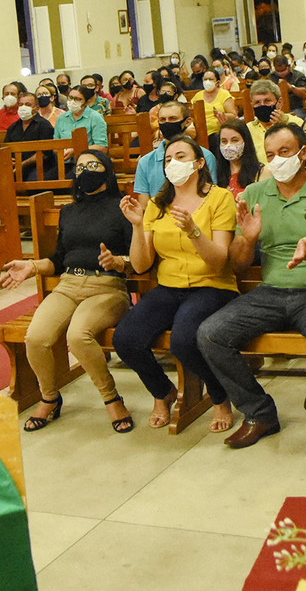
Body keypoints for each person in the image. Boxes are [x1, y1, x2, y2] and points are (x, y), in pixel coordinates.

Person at [197, 123, 306, 453]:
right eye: (270, 155)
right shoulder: (254, 194)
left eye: (285, 152)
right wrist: (248, 239)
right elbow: (239, 265)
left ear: (304, 152)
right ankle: (259, 413)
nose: (277, 160)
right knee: (210, 334)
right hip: (271, 291)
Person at [0, 150, 135, 431]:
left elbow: (138, 259)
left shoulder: (120, 207)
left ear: (107, 171)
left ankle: (111, 397)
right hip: (69, 284)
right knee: (35, 338)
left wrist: (118, 261)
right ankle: (49, 397)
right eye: (80, 167)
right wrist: (32, 266)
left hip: (107, 286)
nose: (85, 171)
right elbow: (60, 259)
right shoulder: (69, 211)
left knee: (78, 336)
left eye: (93, 165)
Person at [113, 137, 240, 432]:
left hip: (212, 285)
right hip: (170, 287)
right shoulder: (157, 204)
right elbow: (141, 265)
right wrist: (136, 226)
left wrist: (194, 231)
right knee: (126, 339)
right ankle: (163, 392)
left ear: (198, 163)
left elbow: (218, 261)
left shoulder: (219, 198)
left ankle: (219, 396)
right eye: (168, 159)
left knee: (183, 341)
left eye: (180, 157)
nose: (172, 163)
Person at [133, 102, 216, 205]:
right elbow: (144, 205)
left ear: (187, 122)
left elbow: (211, 196)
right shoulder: (145, 162)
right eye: (163, 120)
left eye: (173, 119)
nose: (167, 123)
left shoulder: (205, 156)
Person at [246, 79, 303, 164]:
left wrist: (283, 127)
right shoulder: (248, 130)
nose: (262, 105)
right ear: (252, 105)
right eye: (258, 102)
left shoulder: (297, 124)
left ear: (279, 102)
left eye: (267, 101)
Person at [212, 118, 269, 200]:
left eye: (234, 140)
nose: (229, 146)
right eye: (224, 141)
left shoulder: (262, 172)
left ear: (245, 142)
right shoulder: (216, 174)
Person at [5, 92, 57, 181]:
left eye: (28, 104)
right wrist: (9, 159)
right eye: (21, 104)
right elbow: (6, 149)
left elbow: (45, 153)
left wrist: (23, 164)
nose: (23, 107)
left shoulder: (44, 125)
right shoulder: (13, 127)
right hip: (15, 167)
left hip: (39, 167)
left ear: (36, 108)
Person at [54, 86, 109, 151]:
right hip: (63, 156)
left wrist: (76, 150)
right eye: (70, 97)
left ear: (87, 102)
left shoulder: (95, 117)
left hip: (87, 155)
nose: (73, 101)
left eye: (78, 99)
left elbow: (102, 147)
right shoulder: (61, 118)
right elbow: (56, 144)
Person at [197, 68, 236, 135]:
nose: (207, 82)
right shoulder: (198, 95)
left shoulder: (224, 94)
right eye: (205, 79)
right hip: (200, 132)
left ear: (217, 82)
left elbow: (233, 115)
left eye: (210, 79)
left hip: (218, 132)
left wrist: (221, 115)